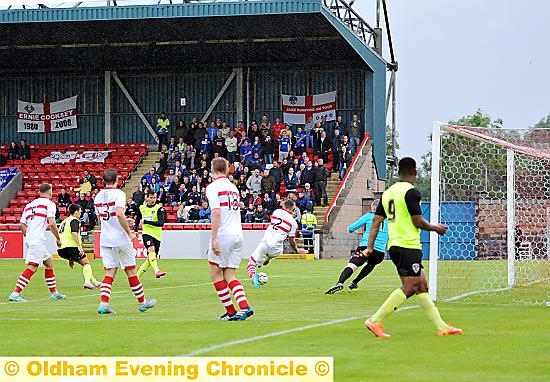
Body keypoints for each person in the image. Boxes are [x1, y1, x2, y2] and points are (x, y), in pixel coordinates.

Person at [361, 157, 461, 337]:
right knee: (409, 286)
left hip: (395, 245)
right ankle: (375, 320)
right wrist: (435, 228)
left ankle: (442, 327)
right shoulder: (411, 192)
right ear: (415, 172)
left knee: (421, 286)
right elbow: (417, 221)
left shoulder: (388, 193)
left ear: (399, 172)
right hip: (407, 245)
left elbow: (376, 221)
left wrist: (369, 247)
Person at [94, 169, 156, 314]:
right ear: (117, 180)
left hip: (105, 239)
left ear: (103, 180)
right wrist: (129, 232)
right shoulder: (119, 194)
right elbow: (119, 212)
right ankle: (143, 303)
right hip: (120, 238)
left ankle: (103, 304)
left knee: (110, 272)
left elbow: (100, 218)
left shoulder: (98, 196)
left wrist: (115, 222)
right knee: (131, 271)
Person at [206, 157, 254, 321]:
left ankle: (232, 311)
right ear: (227, 170)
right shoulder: (233, 188)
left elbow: (217, 212)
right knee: (229, 274)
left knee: (215, 273)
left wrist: (213, 239)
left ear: (212, 171)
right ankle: (244, 306)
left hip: (224, 234)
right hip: (238, 234)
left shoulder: (213, 187)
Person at [8, 183, 66, 302]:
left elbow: (22, 224)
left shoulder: (29, 205)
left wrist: (28, 236)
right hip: (37, 239)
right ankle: (15, 293)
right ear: (50, 192)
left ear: (39, 192)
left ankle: (54, 293)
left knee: (49, 262)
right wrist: (58, 238)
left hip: (31, 238)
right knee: (33, 266)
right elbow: (52, 223)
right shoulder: (49, 204)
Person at [325, 199, 388, 294]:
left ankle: (340, 282)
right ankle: (355, 282)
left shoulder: (368, 216)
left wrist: (353, 230)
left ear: (374, 207)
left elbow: (351, 228)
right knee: (371, 264)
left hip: (366, 248)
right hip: (380, 252)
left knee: (353, 264)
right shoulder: (390, 221)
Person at [246, 199, 305, 287]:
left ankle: (254, 275)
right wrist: (296, 250)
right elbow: (291, 240)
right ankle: (267, 259)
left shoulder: (276, 212)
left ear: (284, 206)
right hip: (277, 250)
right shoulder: (293, 223)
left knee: (251, 263)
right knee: (271, 254)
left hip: (265, 243)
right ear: (294, 209)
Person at [58, 204, 101, 290]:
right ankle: (87, 282)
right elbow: (74, 234)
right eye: (80, 212)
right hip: (71, 246)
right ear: (76, 212)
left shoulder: (64, 221)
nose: (80, 214)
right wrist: (79, 247)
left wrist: (71, 258)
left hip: (61, 249)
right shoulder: (74, 220)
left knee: (84, 264)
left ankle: (95, 281)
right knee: (86, 263)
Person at [135, 191, 167, 279]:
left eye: (154, 198)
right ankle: (157, 271)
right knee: (151, 250)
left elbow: (161, 223)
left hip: (157, 235)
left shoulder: (159, 209)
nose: (153, 200)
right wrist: (135, 230)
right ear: (147, 198)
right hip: (147, 233)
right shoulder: (142, 208)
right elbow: (138, 219)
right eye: (151, 197)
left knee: (150, 259)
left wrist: (146, 222)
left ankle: (136, 278)